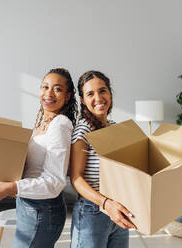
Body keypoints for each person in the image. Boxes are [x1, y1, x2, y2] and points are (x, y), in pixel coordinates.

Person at [0, 68, 78, 248]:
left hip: (42, 210)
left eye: (57, 89)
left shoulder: (60, 124)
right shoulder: (42, 123)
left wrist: (11, 186)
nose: (49, 93)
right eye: (45, 87)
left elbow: (55, 181)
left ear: (68, 95)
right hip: (29, 206)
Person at [70, 70, 136, 248]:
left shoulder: (114, 128)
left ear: (110, 93)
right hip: (92, 211)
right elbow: (75, 178)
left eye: (102, 90)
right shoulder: (83, 129)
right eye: (90, 94)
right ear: (83, 100)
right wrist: (106, 204)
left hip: (117, 209)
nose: (98, 98)